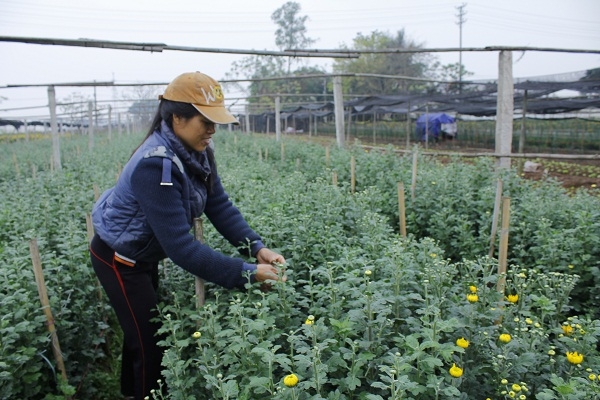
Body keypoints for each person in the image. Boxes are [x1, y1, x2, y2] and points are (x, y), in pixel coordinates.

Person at [89, 71, 286, 400]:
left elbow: (218, 204)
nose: (212, 130)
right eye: (205, 121)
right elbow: (182, 249)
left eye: (215, 122)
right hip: (119, 259)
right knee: (152, 343)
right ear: (177, 117)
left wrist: (256, 248)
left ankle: (129, 392)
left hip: (142, 253)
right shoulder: (156, 166)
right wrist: (247, 275)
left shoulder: (199, 152)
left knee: (141, 333)